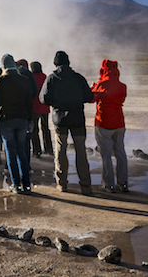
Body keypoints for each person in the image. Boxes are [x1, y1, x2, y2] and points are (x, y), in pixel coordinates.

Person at [39, 51, 94, 195]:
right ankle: (86, 186)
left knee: (61, 151)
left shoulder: (52, 78)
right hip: (77, 119)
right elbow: (89, 96)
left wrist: (56, 102)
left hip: (60, 120)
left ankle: (62, 184)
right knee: (81, 151)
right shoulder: (78, 78)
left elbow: (43, 99)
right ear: (68, 63)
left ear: (55, 64)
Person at [0, 54, 34, 193]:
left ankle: (16, 185)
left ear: (3, 66)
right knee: (22, 152)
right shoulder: (25, 80)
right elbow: (29, 102)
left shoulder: (0, 80)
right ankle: (26, 185)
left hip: (6, 119)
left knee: (10, 152)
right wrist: (31, 120)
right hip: (22, 119)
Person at [91, 59, 129, 193]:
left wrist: (92, 87)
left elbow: (91, 98)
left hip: (104, 122)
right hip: (119, 122)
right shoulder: (122, 86)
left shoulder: (102, 84)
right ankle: (123, 183)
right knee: (120, 153)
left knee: (106, 155)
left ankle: (108, 184)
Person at [15, 59, 38, 158]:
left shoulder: (15, 77)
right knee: (26, 140)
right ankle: (26, 166)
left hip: (16, 112)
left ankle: (12, 166)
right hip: (28, 112)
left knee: (15, 141)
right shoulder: (30, 76)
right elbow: (34, 91)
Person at [29, 61, 53, 157]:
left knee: (34, 130)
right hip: (44, 107)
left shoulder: (31, 78)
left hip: (34, 108)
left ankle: (37, 150)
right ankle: (49, 149)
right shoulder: (45, 77)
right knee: (45, 129)